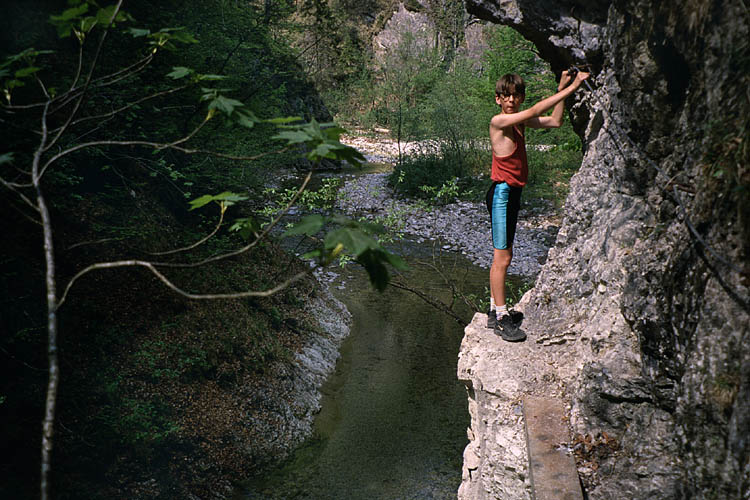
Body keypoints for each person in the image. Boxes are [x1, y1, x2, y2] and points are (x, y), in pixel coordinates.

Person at [486, 69, 590, 342]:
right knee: (503, 257)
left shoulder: (520, 123)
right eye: (506, 96)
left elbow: (555, 121)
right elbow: (534, 110)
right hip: (502, 195)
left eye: (516, 96)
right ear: (498, 99)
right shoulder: (499, 121)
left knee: (503, 254)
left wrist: (561, 86)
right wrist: (574, 87)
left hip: (512, 194)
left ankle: (494, 308)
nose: (511, 100)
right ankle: (499, 317)